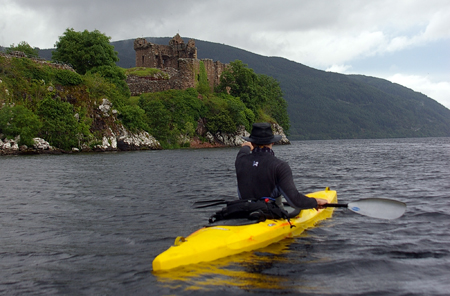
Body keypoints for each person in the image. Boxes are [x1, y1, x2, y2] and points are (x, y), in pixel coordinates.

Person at [235, 122, 328, 212]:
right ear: (273, 142)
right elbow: (295, 201)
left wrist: (247, 146)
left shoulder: (240, 160)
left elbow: (244, 150)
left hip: (244, 214)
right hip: (270, 216)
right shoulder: (280, 166)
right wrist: (315, 202)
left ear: (252, 143)